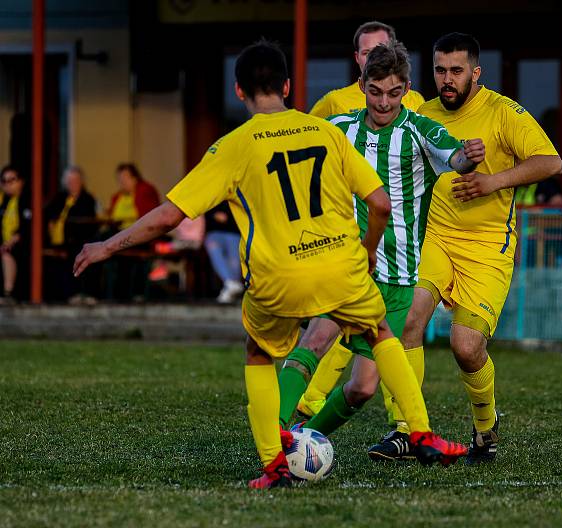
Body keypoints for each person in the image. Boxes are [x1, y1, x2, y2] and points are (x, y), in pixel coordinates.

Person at [73, 39, 466, 490]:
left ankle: (274, 465)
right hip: (342, 265)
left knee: (259, 353)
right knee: (379, 333)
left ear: (239, 91)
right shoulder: (326, 132)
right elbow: (379, 203)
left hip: (278, 275)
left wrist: (107, 245)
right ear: (287, 85)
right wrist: (369, 249)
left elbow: (170, 216)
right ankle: (420, 431)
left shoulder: (233, 146)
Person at [277, 41, 484, 445]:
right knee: (317, 340)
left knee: (363, 388)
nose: (384, 102)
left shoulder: (420, 130)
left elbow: (455, 158)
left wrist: (469, 158)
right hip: (349, 265)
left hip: (399, 274)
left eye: (393, 93)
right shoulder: (339, 130)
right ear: (362, 85)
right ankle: (273, 437)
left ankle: (303, 440)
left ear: (406, 89)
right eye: (375, 92)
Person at [369, 33, 562, 464]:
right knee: (407, 322)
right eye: (440, 70)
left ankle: (485, 430)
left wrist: (493, 180)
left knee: (466, 346)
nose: (447, 79)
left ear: (475, 72)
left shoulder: (503, 112)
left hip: (487, 247)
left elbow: (551, 162)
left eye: (456, 71)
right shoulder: (421, 113)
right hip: (433, 238)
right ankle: (406, 431)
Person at [302, 19, 426, 425]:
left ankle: (403, 426)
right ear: (358, 62)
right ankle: (296, 416)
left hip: (397, 250)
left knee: (376, 362)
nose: (383, 100)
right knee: (327, 336)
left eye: (384, 49)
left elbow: (437, 152)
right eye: (369, 51)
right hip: (348, 250)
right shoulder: (335, 107)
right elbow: (303, 150)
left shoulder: (417, 110)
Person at [309, 20, 425, 118]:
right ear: (357, 57)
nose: (373, 58)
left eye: (380, 50)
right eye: (366, 52)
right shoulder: (333, 101)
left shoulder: (415, 100)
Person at [104, 163, 160, 300]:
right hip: (119, 232)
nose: (122, 182)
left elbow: (149, 217)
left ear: (135, 178)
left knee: (111, 245)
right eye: (119, 179)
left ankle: (130, 293)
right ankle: (108, 294)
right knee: (100, 241)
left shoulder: (145, 191)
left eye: (125, 178)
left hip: (140, 235)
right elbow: (111, 216)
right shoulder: (118, 196)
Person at [44, 166, 98, 303]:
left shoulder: (87, 198)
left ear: (81, 182)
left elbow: (88, 222)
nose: (72, 184)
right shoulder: (61, 197)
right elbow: (47, 213)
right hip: (58, 240)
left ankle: (78, 293)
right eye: (69, 181)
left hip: (79, 239)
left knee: (76, 253)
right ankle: (57, 295)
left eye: (75, 181)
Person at [0, 166, 30, 303]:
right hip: (5, 242)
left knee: (7, 253)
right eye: (4, 181)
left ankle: (8, 293)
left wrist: (12, 240)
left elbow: (28, 226)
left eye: (12, 180)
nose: (8, 184)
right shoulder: (4, 202)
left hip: (23, 244)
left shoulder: (26, 199)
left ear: (21, 181)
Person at [204, 203, 243, 303]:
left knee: (234, 261)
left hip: (234, 232)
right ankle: (230, 283)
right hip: (214, 232)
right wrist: (214, 215)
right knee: (216, 253)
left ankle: (231, 289)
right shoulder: (211, 194)